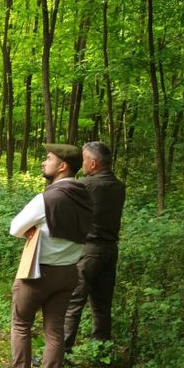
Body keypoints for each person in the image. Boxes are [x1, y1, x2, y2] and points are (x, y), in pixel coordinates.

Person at [0, 144, 92, 368]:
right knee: (55, 333)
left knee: (21, 325)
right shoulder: (86, 197)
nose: (43, 163)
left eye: (49, 159)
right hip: (69, 273)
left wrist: (33, 228)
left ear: (62, 166)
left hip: (36, 273)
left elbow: (15, 228)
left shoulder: (47, 199)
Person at [63, 142, 126, 354]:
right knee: (102, 303)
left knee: (73, 300)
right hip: (110, 250)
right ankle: (101, 350)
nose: (82, 165)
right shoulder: (118, 185)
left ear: (93, 162)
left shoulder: (86, 185)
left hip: (90, 250)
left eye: (83, 161)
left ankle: (61, 351)